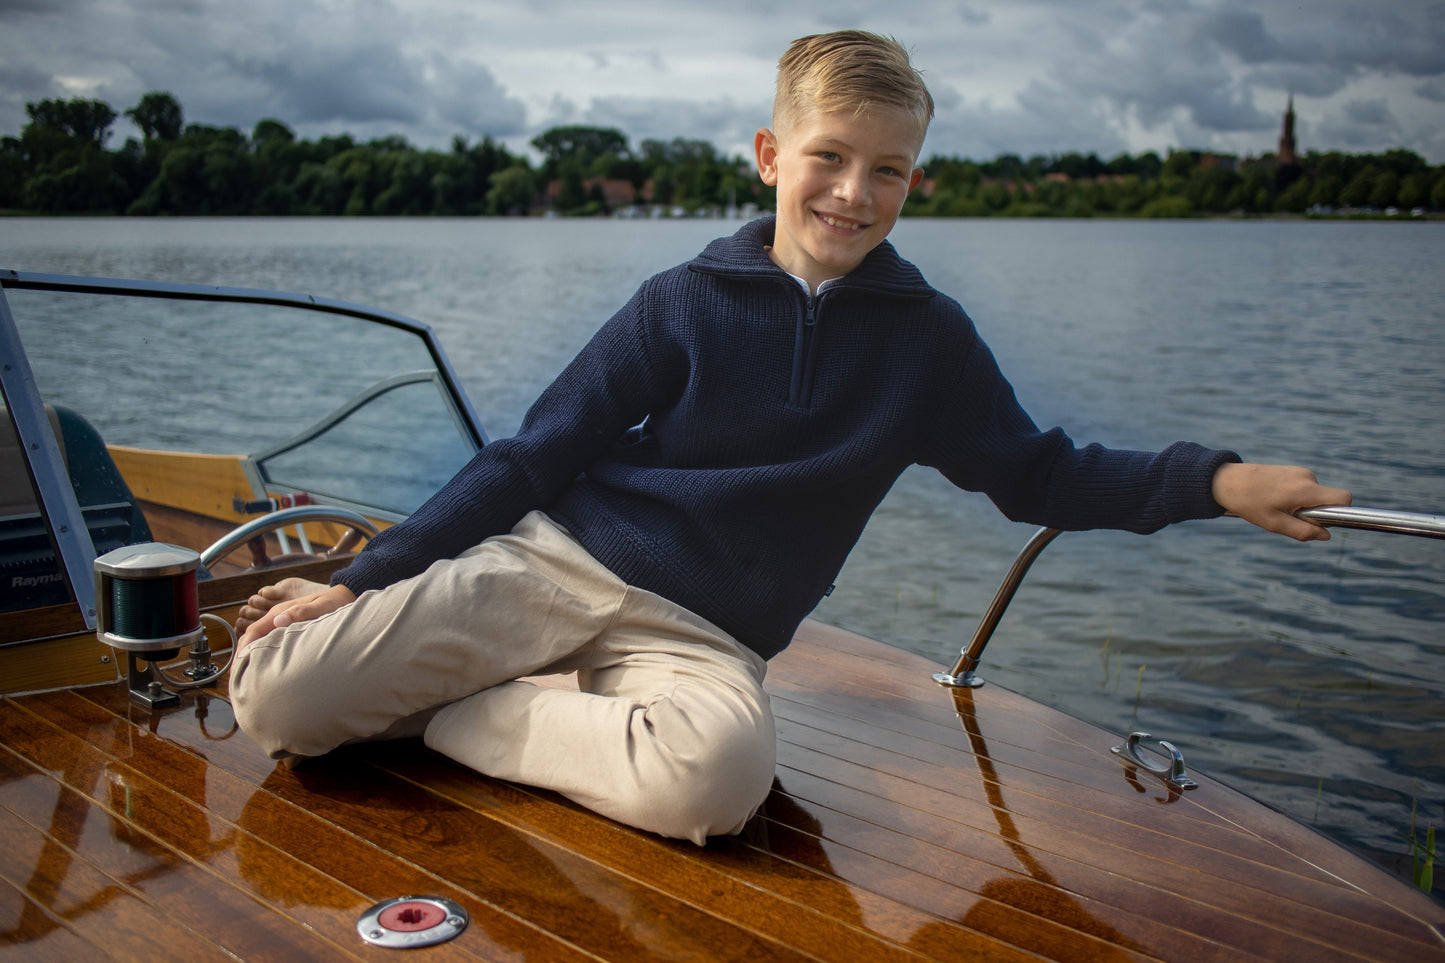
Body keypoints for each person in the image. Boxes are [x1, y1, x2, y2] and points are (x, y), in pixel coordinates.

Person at [230, 30, 1351, 845]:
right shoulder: (683, 299)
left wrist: (1214, 482)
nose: (853, 193)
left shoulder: (928, 346)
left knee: (714, 786)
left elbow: (1038, 474)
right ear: (771, 155)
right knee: (275, 699)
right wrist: (367, 577)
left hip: (705, 635)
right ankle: (511, 684)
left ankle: (472, 717)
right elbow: (533, 454)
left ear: (915, 178)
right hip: (557, 565)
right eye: (829, 157)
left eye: (888, 170)